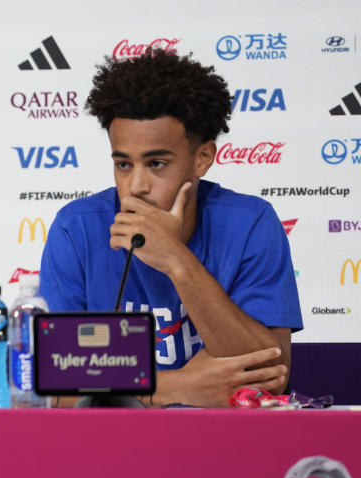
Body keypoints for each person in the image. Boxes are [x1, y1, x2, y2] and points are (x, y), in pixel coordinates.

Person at [38, 50, 302, 407]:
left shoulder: (250, 223)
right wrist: (174, 387)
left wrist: (176, 260)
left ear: (203, 157)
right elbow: (53, 391)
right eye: (123, 164)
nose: (136, 186)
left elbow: (271, 376)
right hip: (113, 446)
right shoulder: (77, 229)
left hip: (224, 445)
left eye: (157, 163)